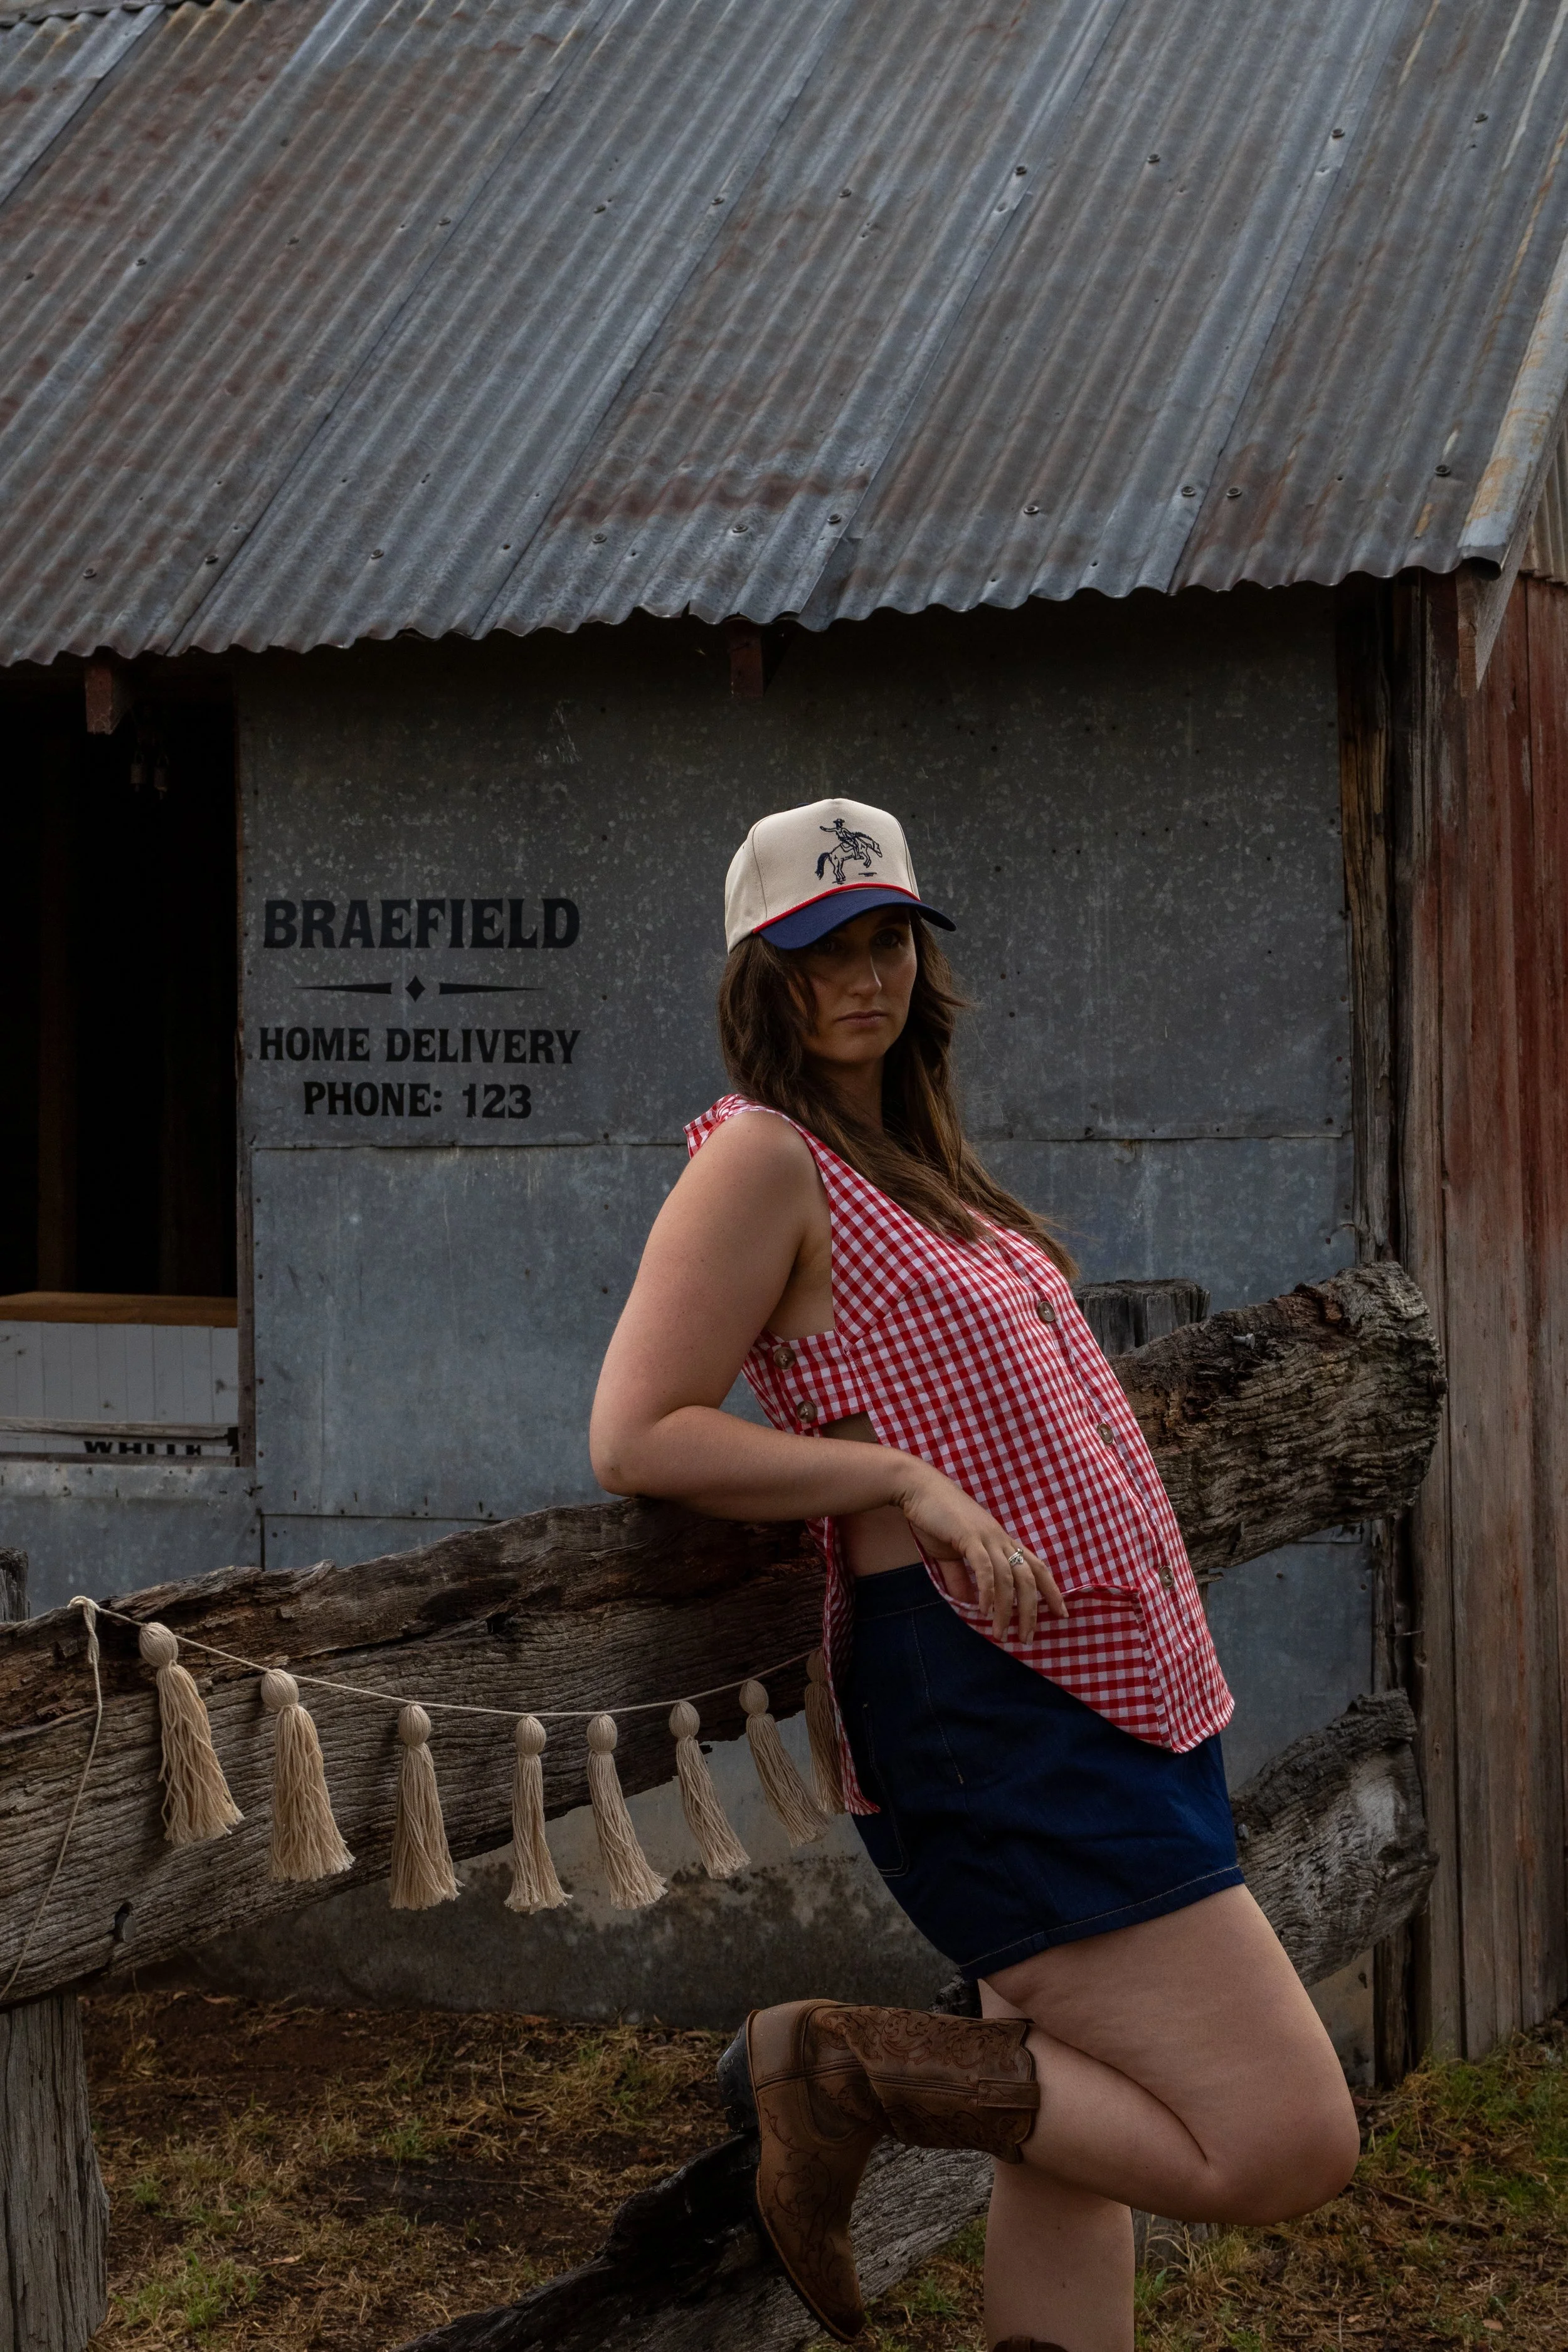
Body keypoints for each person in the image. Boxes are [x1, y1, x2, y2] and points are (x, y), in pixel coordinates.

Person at [590, 797, 1360, 2352]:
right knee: (1287, 2140)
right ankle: (839, 2069)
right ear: (761, 980)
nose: (860, 977)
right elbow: (636, 1431)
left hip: (1104, 1681)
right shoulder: (761, 1159)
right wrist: (891, 1475)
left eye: (884, 941)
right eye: (819, 953)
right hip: (982, 1695)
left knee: (1068, 2146)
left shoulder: (919, 1165)